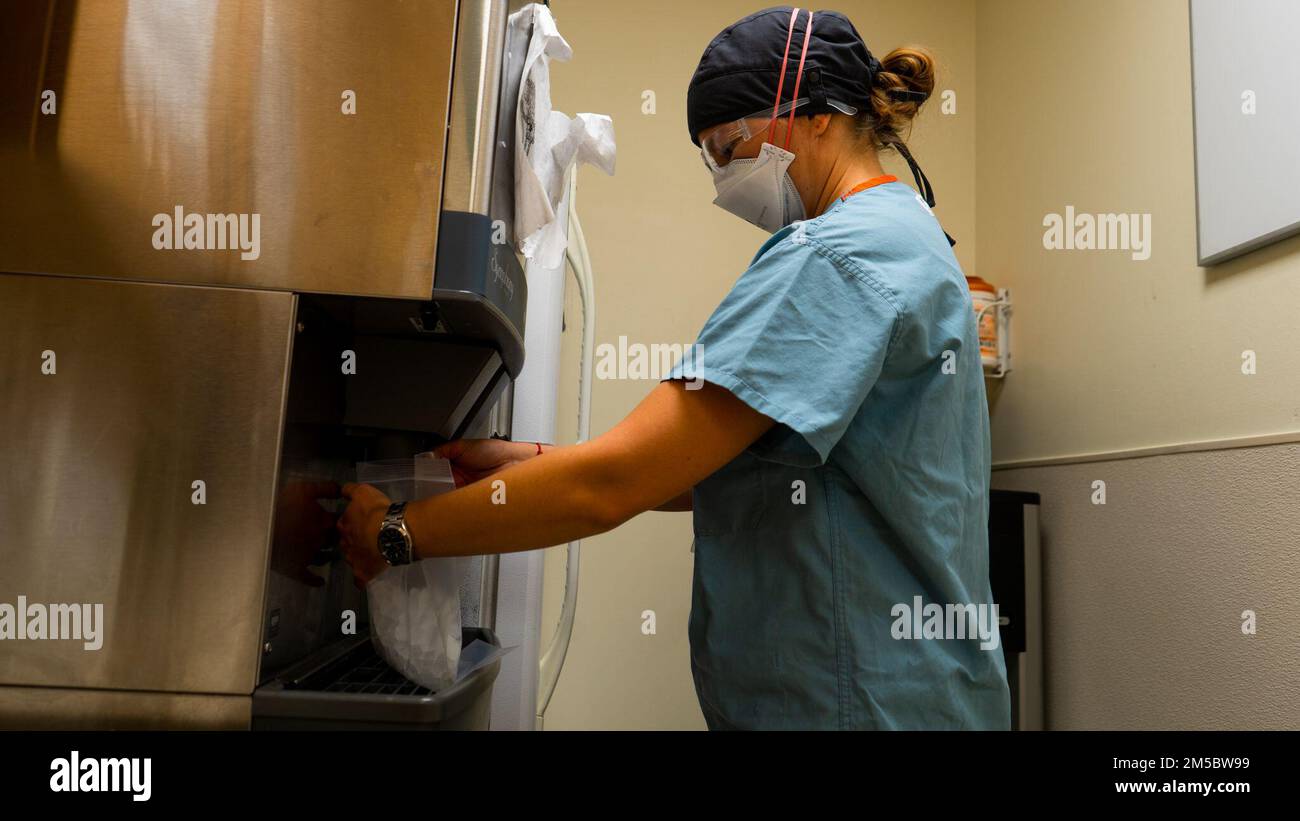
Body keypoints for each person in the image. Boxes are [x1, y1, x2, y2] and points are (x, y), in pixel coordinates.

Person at [338, 5, 1010, 730]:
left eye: (731, 146)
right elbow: (738, 469)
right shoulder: (911, 240)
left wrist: (397, 531)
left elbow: (615, 483)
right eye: (710, 157)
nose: (724, 176)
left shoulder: (834, 260)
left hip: (857, 706)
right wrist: (528, 458)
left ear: (817, 115)